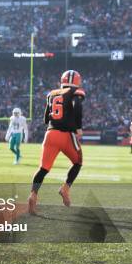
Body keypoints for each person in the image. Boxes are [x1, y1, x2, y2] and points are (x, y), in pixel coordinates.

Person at [28, 70, 85, 214]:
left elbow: (46, 119)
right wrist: (78, 127)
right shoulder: (75, 92)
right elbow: (77, 106)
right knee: (78, 162)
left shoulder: (52, 94)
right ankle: (65, 188)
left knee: (43, 169)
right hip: (66, 135)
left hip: (50, 134)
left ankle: (33, 195)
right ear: (77, 81)